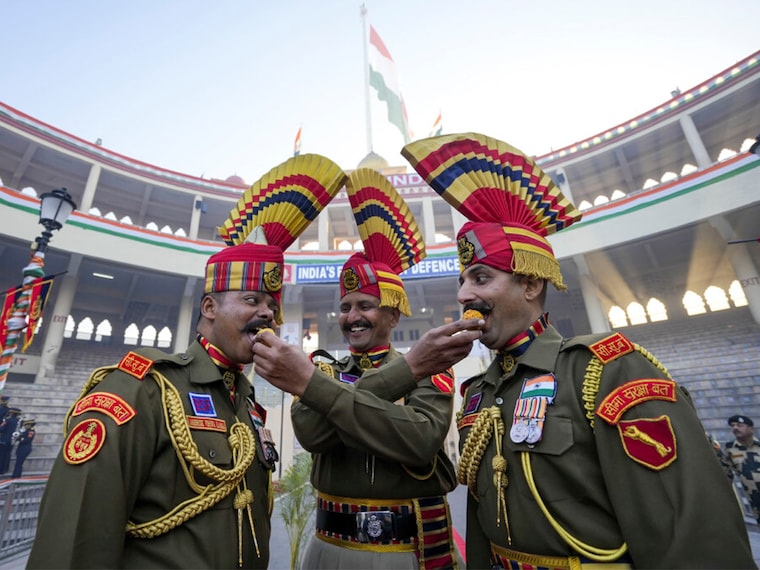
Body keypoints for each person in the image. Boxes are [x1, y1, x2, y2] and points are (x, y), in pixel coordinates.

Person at [402, 132, 757, 569]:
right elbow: (481, 526)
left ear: (531, 284)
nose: (462, 295)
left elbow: (688, 526)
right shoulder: (478, 391)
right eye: (462, 282)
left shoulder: (604, 369)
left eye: (479, 278)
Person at [27, 153, 347, 569]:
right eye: (251, 300)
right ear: (210, 307)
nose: (267, 313)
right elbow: (74, 540)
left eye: (271, 304)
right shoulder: (143, 388)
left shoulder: (247, 404)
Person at [251, 168, 481, 569]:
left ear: (393, 314)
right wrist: (402, 374)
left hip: (407, 553)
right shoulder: (324, 371)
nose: (351, 317)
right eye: (344, 307)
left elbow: (420, 440)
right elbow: (312, 432)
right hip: (329, 550)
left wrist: (331, 397)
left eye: (365, 306)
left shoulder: (431, 369)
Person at [725, 414, 760, 522]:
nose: (735, 428)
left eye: (740, 425)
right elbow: (726, 475)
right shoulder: (730, 449)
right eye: (733, 426)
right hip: (756, 502)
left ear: (751, 429)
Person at [0, 406, 21, 475]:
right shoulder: (19, 421)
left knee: (2, 455)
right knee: (8, 455)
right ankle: (5, 469)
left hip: (4, 440)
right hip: (12, 441)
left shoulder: (7, 420)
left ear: (11, 413)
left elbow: (1, 429)